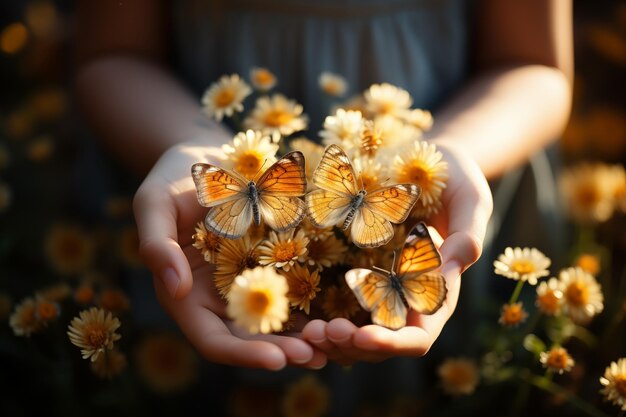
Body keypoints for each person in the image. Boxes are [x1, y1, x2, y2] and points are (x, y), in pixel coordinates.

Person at [74, 0, 572, 370]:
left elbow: (536, 64)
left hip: (445, 177)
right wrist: (192, 143)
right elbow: (112, 50)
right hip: (186, 172)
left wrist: (452, 151)